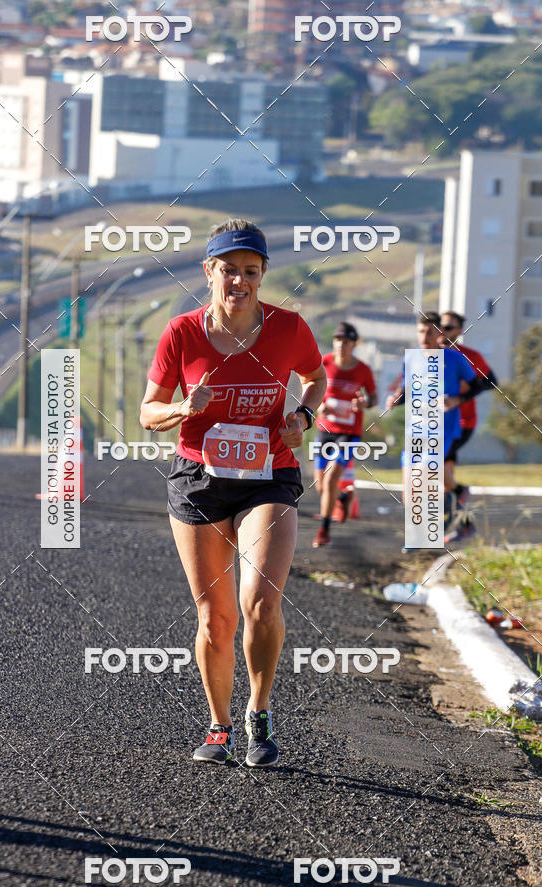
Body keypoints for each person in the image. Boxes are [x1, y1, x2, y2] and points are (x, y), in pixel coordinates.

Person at [139, 218, 326, 767]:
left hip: (269, 474)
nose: (238, 281)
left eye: (250, 271)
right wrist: (181, 409)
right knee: (215, 619)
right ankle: (219, 724)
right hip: (199, 480)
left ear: (264, 274)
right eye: (228, 270)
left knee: (260, 603)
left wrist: (303, 414)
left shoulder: (289, 328)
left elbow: (315, 377)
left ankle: (259, 714)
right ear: (209, 272)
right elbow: (148, 412)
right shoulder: (181, 333)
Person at [386, 311, 484, 544]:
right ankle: (456, 493)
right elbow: (408, 390)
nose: (424, 336)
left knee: (428, 470)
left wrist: (456, 400)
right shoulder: (411, 358)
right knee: (409, 491)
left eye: (430, 331)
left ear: (440, 333)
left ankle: (426, 530)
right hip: (415, 429)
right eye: (421, 331)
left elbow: (477, 386)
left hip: (443, 429)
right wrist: (395, 400)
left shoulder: (455, 359)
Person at [312, 322, 377, 548]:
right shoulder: (324, 362)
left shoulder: (363, 370)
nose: (341, 345)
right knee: (321, 486)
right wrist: (318, 406)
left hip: (349, 433)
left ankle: (324, 531)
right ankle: (343, 497)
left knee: (331, 478)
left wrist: (364, 403)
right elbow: (309, 385)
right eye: (338, 340)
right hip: (325, 430)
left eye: (347, 341)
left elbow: (374, 399)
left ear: (354, 345)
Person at [437, 311, 497, 509]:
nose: (441, 331)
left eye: (448, 327)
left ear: (459, 331)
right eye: (439, 326)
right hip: (433, 421)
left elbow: (491, 382)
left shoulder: (471, 356)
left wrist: (461, 396)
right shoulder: (427, 355)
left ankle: (452, 505)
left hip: (462, 422)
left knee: (440, 461)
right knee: (440, 464)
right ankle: (453, 505)